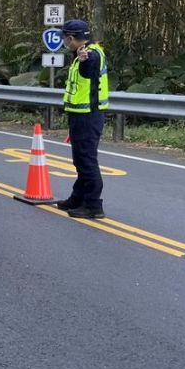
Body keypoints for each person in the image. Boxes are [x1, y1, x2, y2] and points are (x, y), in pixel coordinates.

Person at [57, 19, 109, 219]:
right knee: (80, 159)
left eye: (65, 38)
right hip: (81, 115)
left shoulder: (91, 55)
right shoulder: (83, 53)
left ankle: (94, 205)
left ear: (71, 38)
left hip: (88, 116)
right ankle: (77, 198)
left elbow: (89, 72)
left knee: (86, 160)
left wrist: (84, 59)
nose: (64, 42)